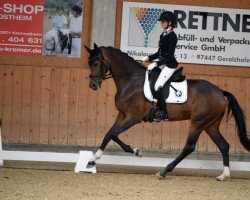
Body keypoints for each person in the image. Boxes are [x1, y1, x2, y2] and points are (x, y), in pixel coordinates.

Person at [141, 11, 178, 121]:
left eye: (163, 22)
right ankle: (153, 108)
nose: (161, 24)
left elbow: (170, 56)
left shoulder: (172, 36)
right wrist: (148, 58)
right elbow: (159, 53)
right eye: (161, 22)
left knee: (158, 86)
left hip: (169, 65)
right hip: (162, 64)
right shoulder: (163, 34)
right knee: (150, 75)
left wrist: (156, 63)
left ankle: (164, 113)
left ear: (170, 23)